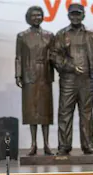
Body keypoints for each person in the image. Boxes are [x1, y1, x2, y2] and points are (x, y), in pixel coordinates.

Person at [52, 3, 93, 155]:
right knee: (65, 112)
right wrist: (70, 66)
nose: (75, 17)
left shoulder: (91, 35)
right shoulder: (61, 34)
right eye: (73, 14)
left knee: (86, 114)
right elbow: (54, 56)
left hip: (87, 80)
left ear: (83, 15)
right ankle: (64, 146)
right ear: (68, 16)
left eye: (78, 14)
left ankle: (88, 145)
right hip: (68, 79)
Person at [15, 6, 55, 156]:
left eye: (39, 15)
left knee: (45, 111)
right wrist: (18, 75)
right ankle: (33, 144)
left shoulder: (49, 35)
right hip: (29, 76)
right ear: (28, 17)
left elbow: (54, 56)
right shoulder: (22, 36)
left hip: (44, 75)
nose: (36, 18)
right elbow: (18, 57)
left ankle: (46, 143)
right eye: (33, 15)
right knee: (31, 111)